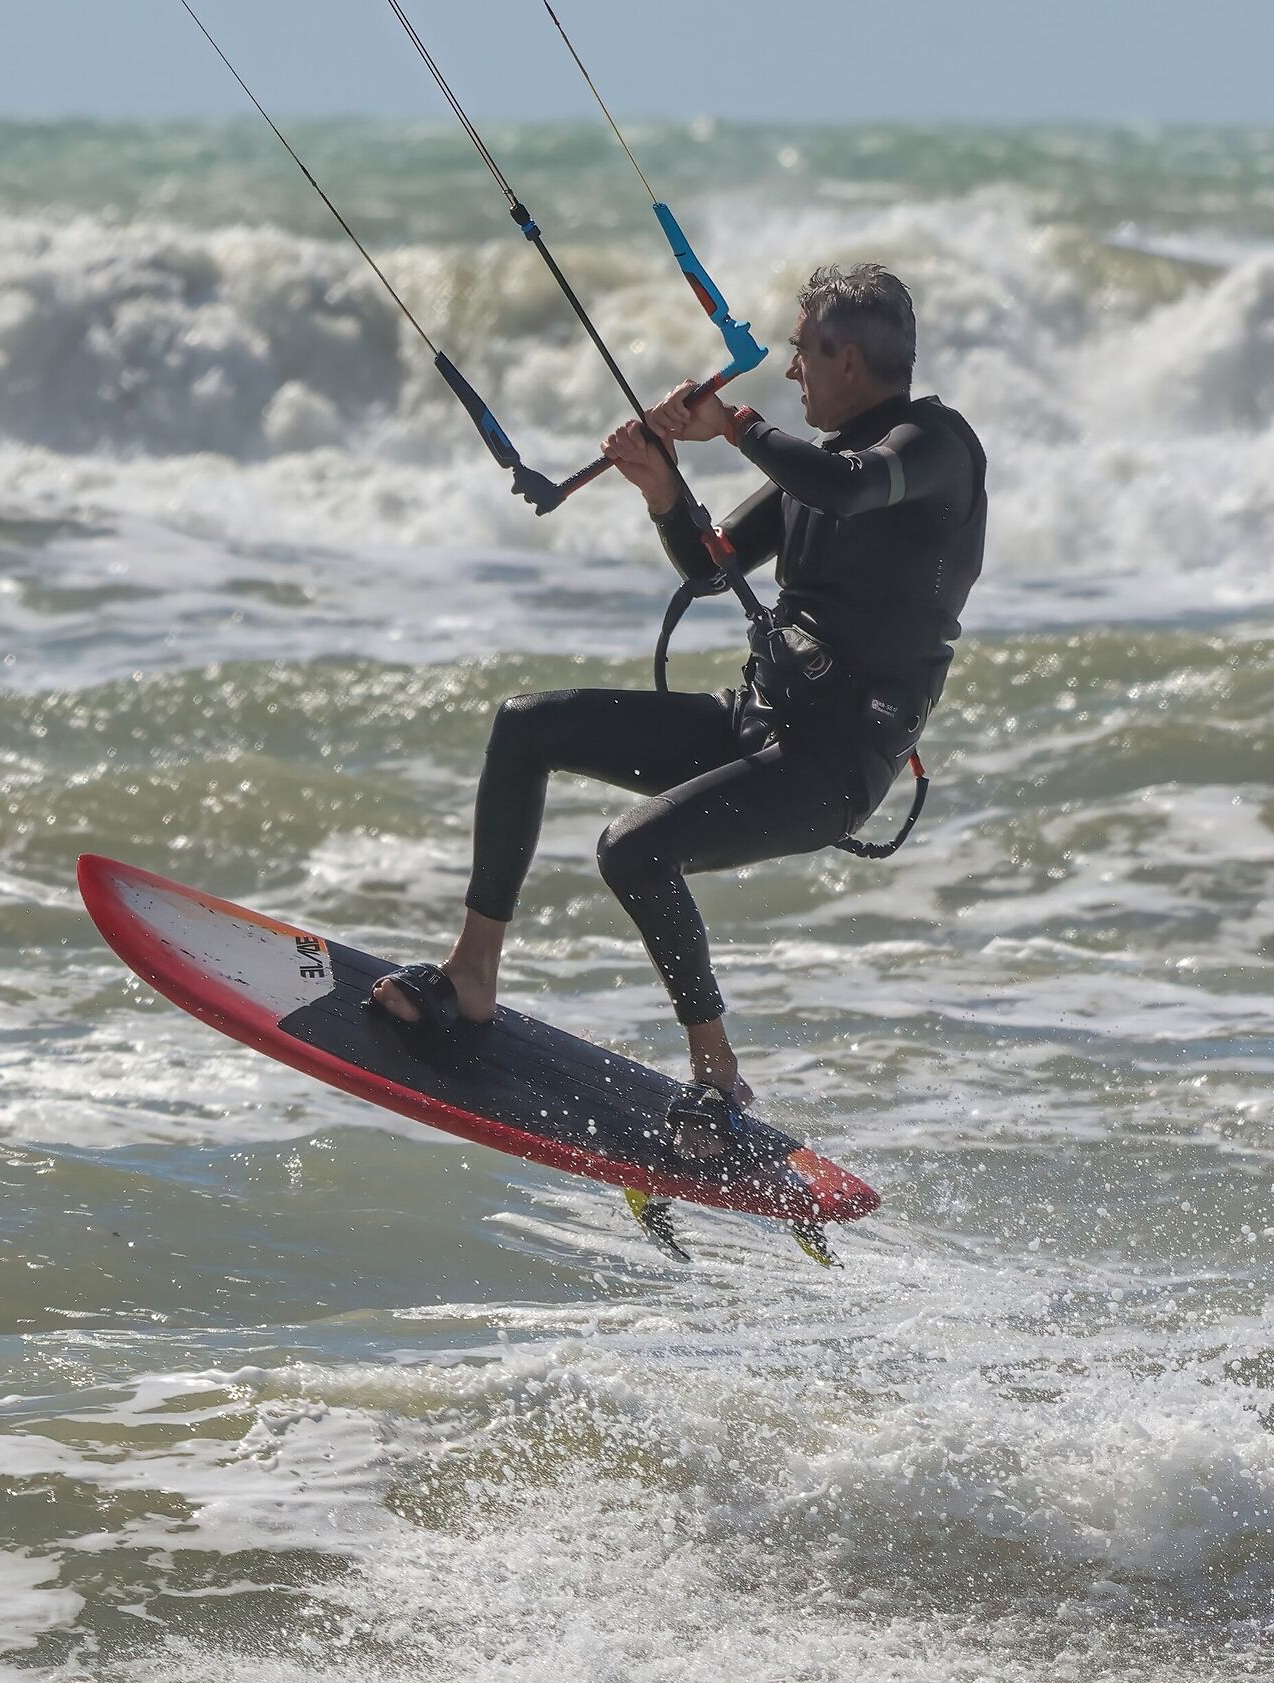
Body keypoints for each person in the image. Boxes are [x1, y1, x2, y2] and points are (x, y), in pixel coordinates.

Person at [370, 262, 986, 1161]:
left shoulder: (932, 449)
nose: (788, 370)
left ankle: (716, 1075)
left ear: (848, 358)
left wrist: (732, 424)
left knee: (633, 849)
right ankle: (471, 977)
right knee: (526, 724)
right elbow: (713, 561)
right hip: (760, 722)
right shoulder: (822, 464)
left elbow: (849, 486)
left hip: (830, 766)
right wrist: (662, 487)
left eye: (802, 351)